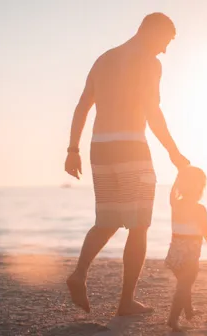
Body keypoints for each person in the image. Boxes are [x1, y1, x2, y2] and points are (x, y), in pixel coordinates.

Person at [64, 12, 190, 316]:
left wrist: (72, 149)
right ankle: (125, 303)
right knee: (139, 225)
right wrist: (174, 152)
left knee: (107, 221)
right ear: (151, 32)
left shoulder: (104, 59)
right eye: (165, 41)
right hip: (132, 147)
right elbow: (152, 113)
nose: (164, 50)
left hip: (100, 149)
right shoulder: (149, 63)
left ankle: (79, 273)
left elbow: (83, 105)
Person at [165, 166, 207, 331]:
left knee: (185, 283)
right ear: (200, 189)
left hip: (174, 253)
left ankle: (189, 311)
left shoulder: (175, 204)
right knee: (184, 285)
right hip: (189, 254)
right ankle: (173, 319)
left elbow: (172, 192)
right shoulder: (199, 209)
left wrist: (178, 176)